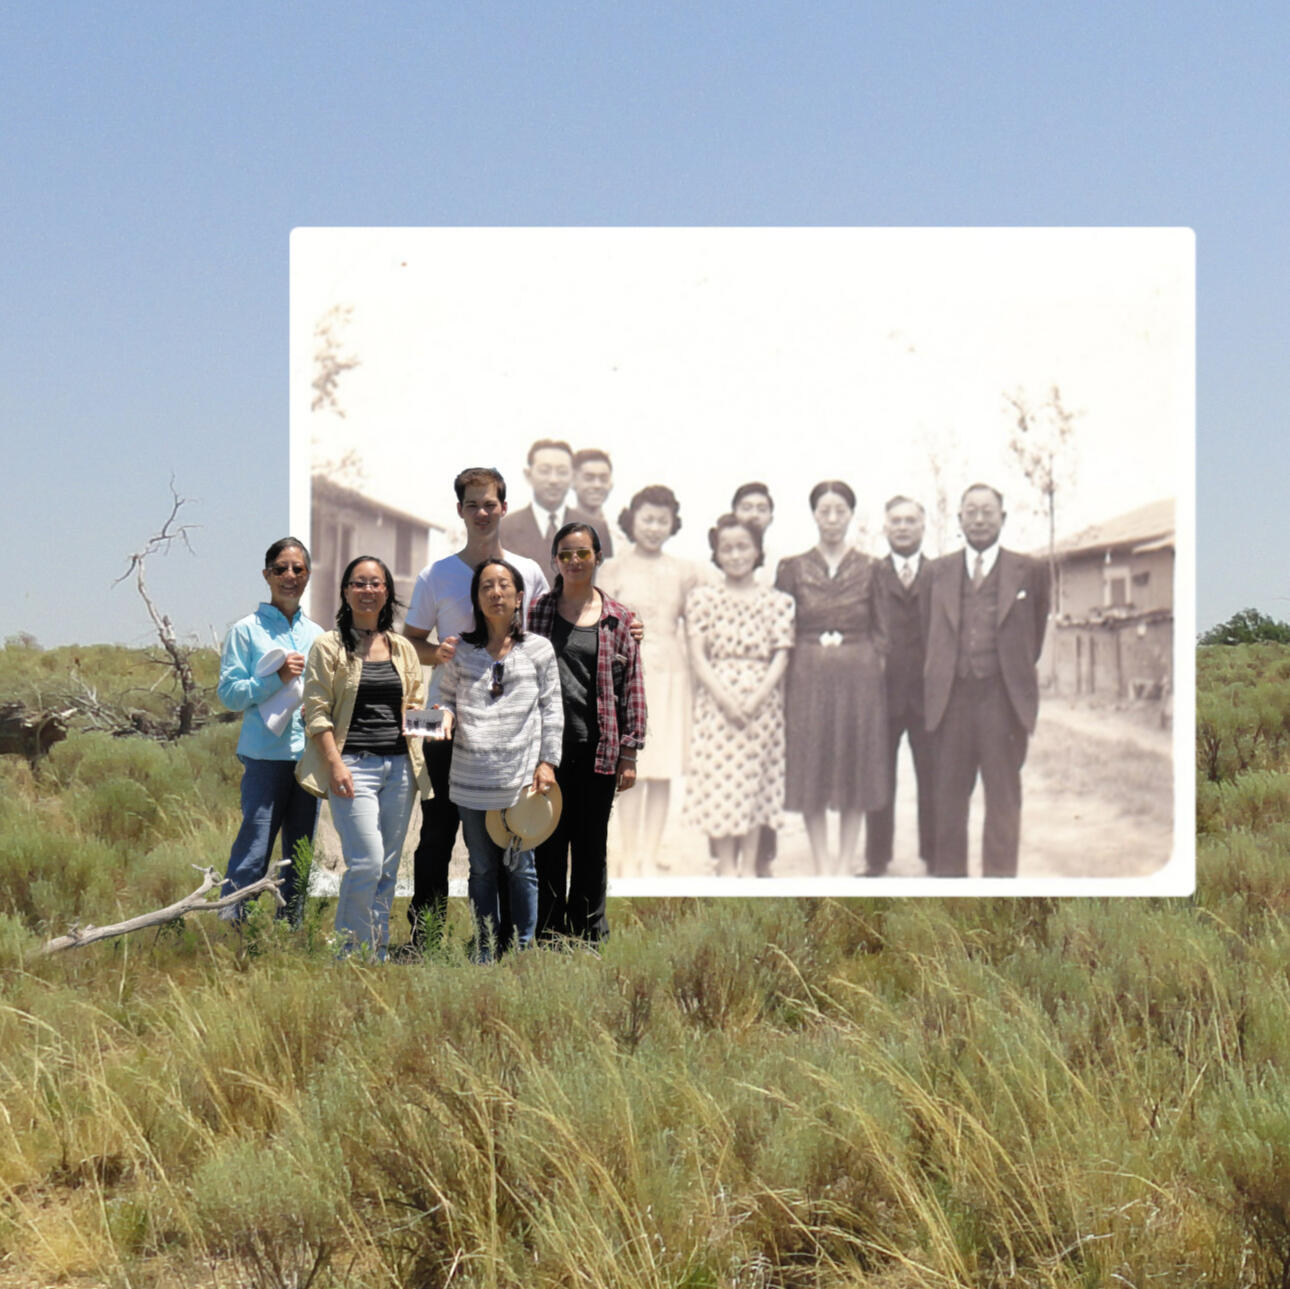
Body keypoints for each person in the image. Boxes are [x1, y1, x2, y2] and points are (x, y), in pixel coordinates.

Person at [402, 467, 550, 950]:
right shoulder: (436, 575)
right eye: (473, 504)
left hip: (511, 738)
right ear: (460, 511)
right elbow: (410, 644)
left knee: (513, 838)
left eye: (491, 503)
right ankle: (426, 940)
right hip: (447, 730)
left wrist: (627, 624)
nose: (483, 512)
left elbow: (554, 633)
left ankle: (510, 942)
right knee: (437, 838)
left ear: (504, 508)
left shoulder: (529, 571)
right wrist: (437, 655)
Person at [296, 556, 431, 958]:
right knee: (366, 862)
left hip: (400, 770)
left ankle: (376, 953)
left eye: (375, 583)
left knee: (387, 869)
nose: (367, 590)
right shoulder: (328, 645)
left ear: (387, 591)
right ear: (345, 591)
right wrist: (334, 763)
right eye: (359, 583)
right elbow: (316, 711)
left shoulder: (403, 648)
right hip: (352, 766)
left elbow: (415, 710)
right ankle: (349, 954)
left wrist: (439, 721)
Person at [922, 483, 1050, 877]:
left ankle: (999, 890)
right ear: (959, 519)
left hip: (1002, 702)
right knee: (948, 807)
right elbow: (931, 632)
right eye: (971, 512)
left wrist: (1008, 674)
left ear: (1003, 518)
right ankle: (950, 892)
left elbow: (1036, 634)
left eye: (988, 511)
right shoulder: (937, 571)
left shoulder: (1029, 569)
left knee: (1003, 804)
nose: (979, 519)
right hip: (952, 701)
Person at [438, 559, 563, 959]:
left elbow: (552, 709)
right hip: (471, 778)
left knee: (522, 868)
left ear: (519, 596)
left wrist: (548, 762)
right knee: (482, 869)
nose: (496, 593)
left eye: (504, 585)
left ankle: (524, 950)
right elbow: (445, 699)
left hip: (521, 778)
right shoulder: (462, 649)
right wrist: (444, 716)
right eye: (486, 586)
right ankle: (485, 948)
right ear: (476, 598)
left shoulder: (538, 649)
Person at [528, 522, 646, 942]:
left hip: (599, 751)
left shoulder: (619, 619)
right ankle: (548, 936)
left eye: (583, 553)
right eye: (565, 554)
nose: (574, 561)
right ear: (555, 560)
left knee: (591, 847)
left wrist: (629, 754)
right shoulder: (537, 612)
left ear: (597, 557)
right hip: (547, 755)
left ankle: (589, 937)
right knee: (548, 846)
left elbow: (632, 688)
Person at [775, 482, 889, 875]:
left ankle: (844, 864)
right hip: (807, 675)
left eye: (840, 510)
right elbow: (780, 625)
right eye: (825, 510)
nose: (833, 518)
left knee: (854, 762)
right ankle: (822, 863)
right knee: (813, 762)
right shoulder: (792, 567)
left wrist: (870, 664)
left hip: (859, 677)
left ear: (851, 514)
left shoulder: (874, 567)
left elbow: (883, 628)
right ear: (814, 515)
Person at [217, 538, 326, 921]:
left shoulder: (318, 635)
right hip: (265, 757)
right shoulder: (245, 631)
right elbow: (229, 694)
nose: (289, 576)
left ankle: (289, 932)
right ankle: (232, 924)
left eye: (298, 569)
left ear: (308, 576)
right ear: (267, 575)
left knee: (300, 855)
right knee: (254, 849)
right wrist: (276, 679)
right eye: (281, 568)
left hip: (307, 759)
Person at [684, 513, 794, 875]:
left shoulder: (778, 600)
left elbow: (782, 654)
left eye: (743, 546)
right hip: (717, 703)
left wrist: (756, 698)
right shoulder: (703, 598)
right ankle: (727, 865)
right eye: (726, 548)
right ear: (717, 552)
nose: (735, 555)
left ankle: (749, 866)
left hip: (762, 703)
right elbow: (698, 655)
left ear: (758, 550)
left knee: (755, 783)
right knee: (721, 784)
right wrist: (727, 700)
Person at [598, 485, 699, 874]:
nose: (655, 527)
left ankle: (651, 851)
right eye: (648, 518)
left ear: (672, 524)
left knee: (662, 767)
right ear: (632, 519)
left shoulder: (684, 571)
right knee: (631, 762)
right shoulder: (614, 568)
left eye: (663, 520)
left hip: (672, 674)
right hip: (628, 674)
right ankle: (628, 850)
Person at [865, 495, 936, 876]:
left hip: (928, 695)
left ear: (923, 527)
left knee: (932, 777)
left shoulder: (939, 573)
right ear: (886, 527)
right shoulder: (873, 573)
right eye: (896, 520)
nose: (903, 527)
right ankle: (877, 859)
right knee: (880, 778)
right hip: (882, 692)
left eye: (911, 520)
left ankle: (934, 855)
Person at [500, 439, 599, 567]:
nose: (553, 480)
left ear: (573, 477)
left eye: (562, 472)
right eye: (544, 471)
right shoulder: (504, 528)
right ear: (528, 475)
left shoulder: (595, 528)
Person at [571, 448, 616, 557]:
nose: (597, 485)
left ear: (611, 484)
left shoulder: (621, 535)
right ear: (573, 481)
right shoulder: (558, 528)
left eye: (603, 479)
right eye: (589, 478)